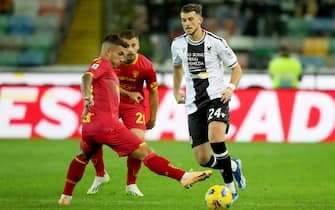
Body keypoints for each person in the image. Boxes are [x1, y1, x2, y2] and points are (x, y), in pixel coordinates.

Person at [58, 33, 212, 206]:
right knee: (145, 152)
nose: (123, 57)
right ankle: (183, 176)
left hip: (89, 127)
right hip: (108, 127)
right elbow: (86, 77)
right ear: (108, 52)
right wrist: (86, 95)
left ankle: (66, 197)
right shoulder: (103, 65)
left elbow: (102, 86)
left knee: (82, 156)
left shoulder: (105, 68)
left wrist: (94, 100)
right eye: (120, 54)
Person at [171, 3, 246, 203]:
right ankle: (232, 166)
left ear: (200, 20)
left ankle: (230, 189)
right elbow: (177, 67)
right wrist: (176, 90)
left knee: (216, 139)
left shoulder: (216, 42)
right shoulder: (177, 44)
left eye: (190, 19)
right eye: (184, 20)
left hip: (216, 97)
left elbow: (236, 68)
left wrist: (230, 88)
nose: (187, 23)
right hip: (193, 103)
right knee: (202, 159)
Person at [86, 29, 159, 197]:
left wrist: (153, 117)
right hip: (109, 103)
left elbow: (153, 92)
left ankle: (131, 184)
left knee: (138, 141)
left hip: (134, 106)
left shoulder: (147, 66)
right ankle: (100, 174)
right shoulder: (109, 62)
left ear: (139, 45)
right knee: (92, 137)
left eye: (134, 45)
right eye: (126, 46)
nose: (130, 50)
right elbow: (98, 81)